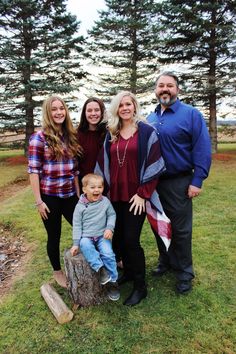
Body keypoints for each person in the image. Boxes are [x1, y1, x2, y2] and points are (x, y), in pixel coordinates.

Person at [95, 91, 168, 306]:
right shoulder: (112, 133)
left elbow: (155, 165)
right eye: (121, 105)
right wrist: (100, 192)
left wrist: (143, 194)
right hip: (114, 195)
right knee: (117, 239)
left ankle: (140, 287)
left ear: (134, 107)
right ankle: (127, 272)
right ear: (116, 109)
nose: (125, 108)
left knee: (131, 240)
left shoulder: (146, 132)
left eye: (129, 104)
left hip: (136, 196)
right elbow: (103, 163)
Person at [147, 71, 212, 294]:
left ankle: (185, 272)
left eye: (170, 86)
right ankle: (166, 262)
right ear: (155, 90)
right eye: (161, 86)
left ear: (177, 89)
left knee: (181, 230)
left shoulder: (191, 114)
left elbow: (202, 147)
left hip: (180, 181)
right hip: (154, 184)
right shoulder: (150, 117)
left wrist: (198, 179)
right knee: (159, 225)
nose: (165, 89)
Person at [28, 95, 81, 289]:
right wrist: (39, 202)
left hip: (69, 195)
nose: (59, 112)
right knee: (54, 235)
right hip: (49, 198)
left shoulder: (70, 136)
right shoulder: (39, 138)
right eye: (54, 109)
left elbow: (75, 170)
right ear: (48, 113)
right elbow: (33, 171)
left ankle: (91, 261)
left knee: (83, 229)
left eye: (61, 108)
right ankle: (57, 271)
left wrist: (78, 196)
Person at [70, 173, 120, 301]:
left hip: (102, 235)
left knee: (108, 253)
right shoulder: (80, 206)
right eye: (92, 187)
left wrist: (109, 228)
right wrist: (76, 243)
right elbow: (76, 225)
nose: (97, 190)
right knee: (84, 245)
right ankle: (101, 269)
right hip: (87, 236)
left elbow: (112, 215)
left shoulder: (105, 202)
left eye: (100, 187)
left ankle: (113, 282)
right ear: (84, 189)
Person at [77, 97, 107, 189]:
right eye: (89, 110)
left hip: (106, 186)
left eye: (97, 110)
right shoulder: (76, 135)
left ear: (102, 112)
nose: (93, 113)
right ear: (84, 113)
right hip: (84, 187)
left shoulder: (109, 134)